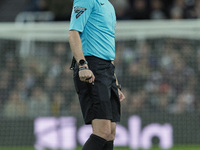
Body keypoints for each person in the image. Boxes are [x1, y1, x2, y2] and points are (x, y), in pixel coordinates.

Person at [68, 0, 125, 150]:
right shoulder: (86, 0)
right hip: (91, 67)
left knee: (110, 133)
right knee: (102, 132)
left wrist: (115, 82)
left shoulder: (109, 6)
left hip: (107, 70)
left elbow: (106, 44)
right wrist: (82, 64)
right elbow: (73, 33)